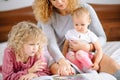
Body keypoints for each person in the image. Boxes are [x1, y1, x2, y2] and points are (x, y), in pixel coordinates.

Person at [32, 0, 120, 79]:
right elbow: (51, 44)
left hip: (86, 53)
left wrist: (89, 47)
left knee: (114, 67)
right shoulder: (45, 14)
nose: (59, 2)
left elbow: (102, 37)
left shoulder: (85, 8)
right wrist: (62, 61)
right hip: (59, 56)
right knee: (62, 71)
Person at [62, 7, 103, 73]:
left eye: (82, 24)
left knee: (79, 53)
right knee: (69, 55)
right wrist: (63, 59)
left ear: (89, 21)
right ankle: (80, 69)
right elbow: (65, 46)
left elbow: (99, 49)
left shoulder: (90, 35)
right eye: (76, 24)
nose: (79, 27)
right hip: (73, 58)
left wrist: (96, 63)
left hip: (86, 56)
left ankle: (90, 68)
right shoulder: (70, 33)